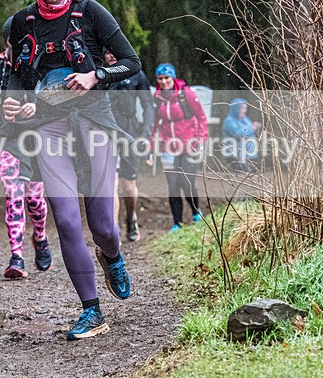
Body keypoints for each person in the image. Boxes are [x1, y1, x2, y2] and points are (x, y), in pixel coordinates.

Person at [0, 0, 140, 341]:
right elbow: (14, 75)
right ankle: (91, 311)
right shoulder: (21, 22)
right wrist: (14, 102)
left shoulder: (91, 13)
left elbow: (132, 63)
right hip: (48, 124)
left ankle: (112, 257)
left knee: (102, 225)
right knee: (64, 219)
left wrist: (95, 75)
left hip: (94, 117)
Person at [0, 18, 51, 279]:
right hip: (4, 137)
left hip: (35, 137)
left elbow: (55, 97)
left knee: (35, 200)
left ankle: (40, 236)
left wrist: (37, 106)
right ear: (9, 40)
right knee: (13, 193)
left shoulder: (41, 63)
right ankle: (16, 256)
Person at [148, 63, 208, 233]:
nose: (164, 81)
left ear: (172, 77)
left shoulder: (186, 94)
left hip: (190, 145)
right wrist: (151, 148)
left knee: (186, 181)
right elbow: (154, 125)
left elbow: (201, 117)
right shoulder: (157, 98)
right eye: (160, 78)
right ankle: (177, 223)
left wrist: (201, 140)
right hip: (168, 147)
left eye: (167, 78)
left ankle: (196, 213)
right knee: (173, 185)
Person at [105, 49, 154, 242]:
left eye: (114, 50)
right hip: (105, 134)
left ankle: (131, 216)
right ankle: (113, 229)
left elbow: (148, 105)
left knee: (128, 185)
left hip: (130, 132)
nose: (112, 55)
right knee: (112, 183)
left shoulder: (135, 74)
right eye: (107, 52)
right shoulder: (99, 75)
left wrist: (145, 133)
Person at [222, 98, 262, 173]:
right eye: (242, 108)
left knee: (252, 176)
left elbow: (251, 131)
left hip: (249, 155)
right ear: (236, 108)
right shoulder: (229, 121)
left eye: (245, 108)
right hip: (235, 156)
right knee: (244, 176)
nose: (244, 111)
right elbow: (239, 134)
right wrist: (253, 127)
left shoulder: (245, 119)